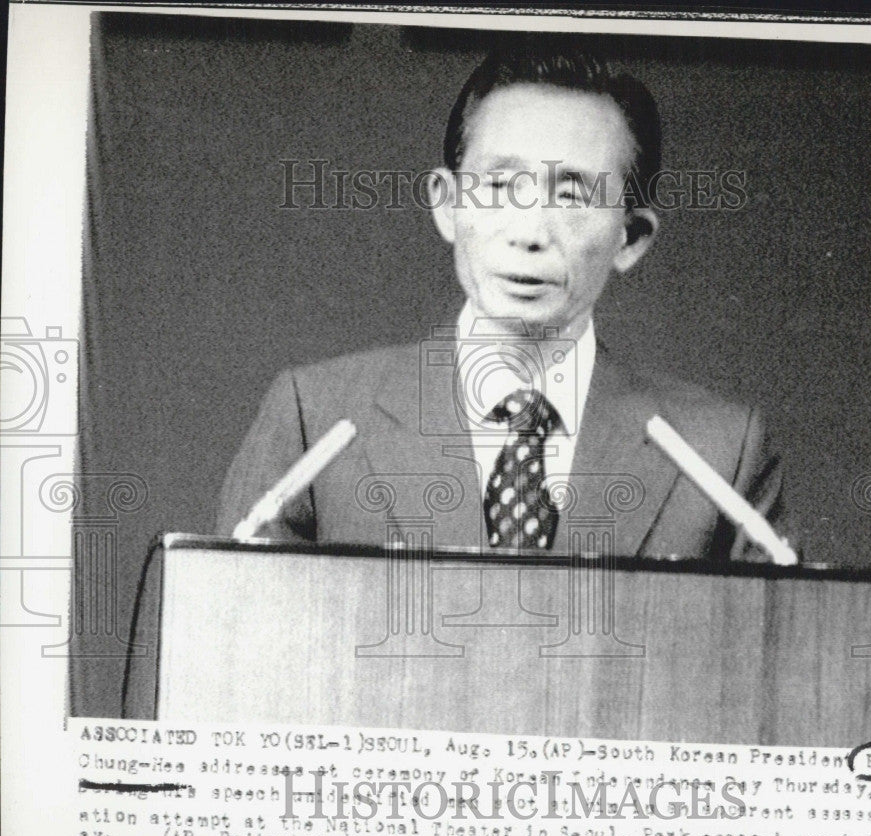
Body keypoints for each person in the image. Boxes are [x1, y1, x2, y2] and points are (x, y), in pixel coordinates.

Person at [215, 40, 787, 559]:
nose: (529, 231)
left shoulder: (716, 453)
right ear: (446, 204)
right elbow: (230, 645)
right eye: (497, 187)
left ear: (630, 237)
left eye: (572, 195)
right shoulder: (317, 420)